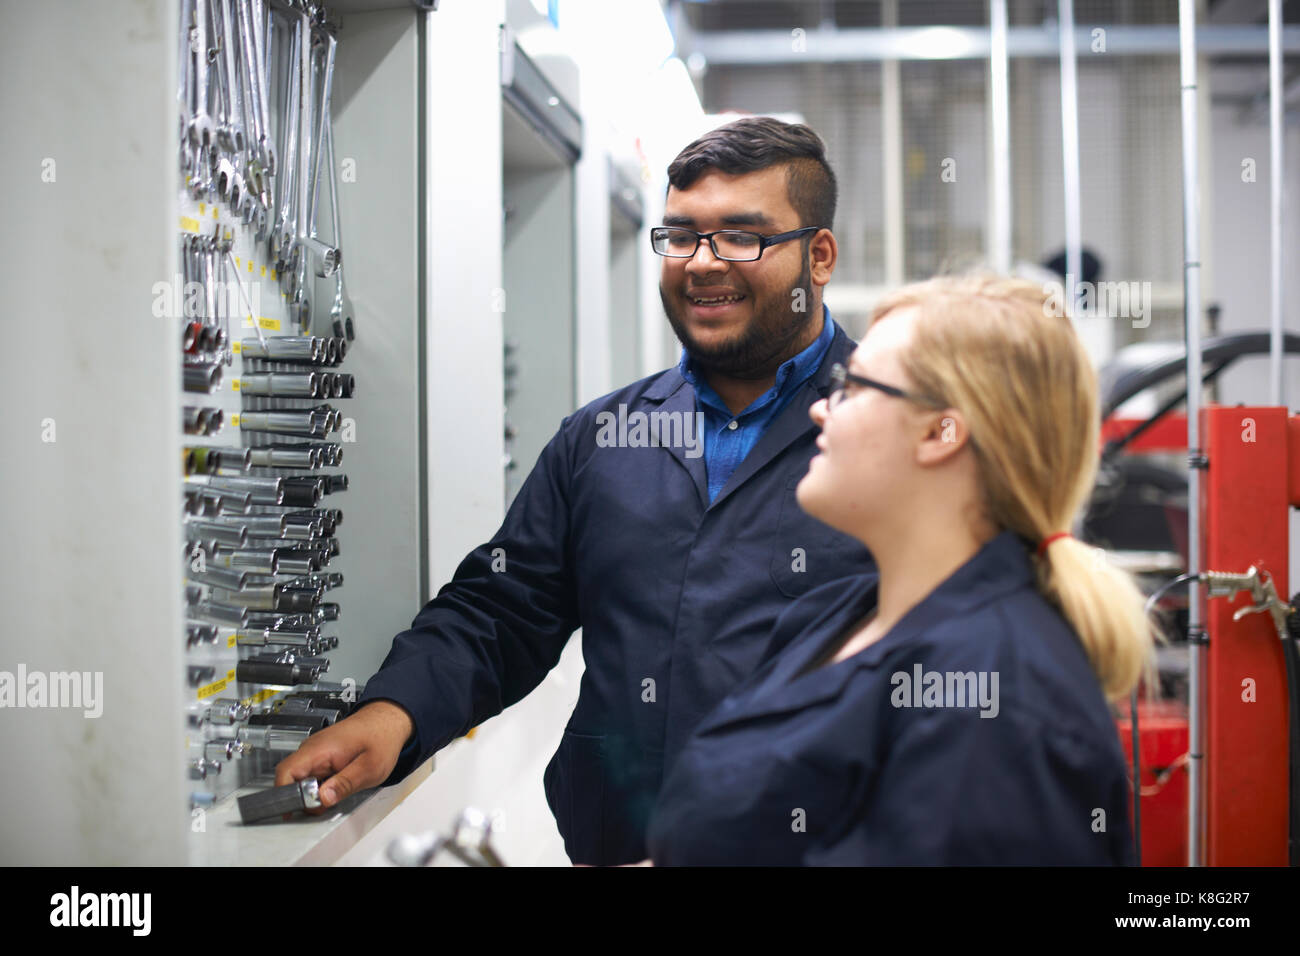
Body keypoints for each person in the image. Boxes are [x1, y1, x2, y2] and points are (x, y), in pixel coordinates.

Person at [274, 117, 876, 865]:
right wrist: (395, 710)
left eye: (742, 236)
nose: (702, 263)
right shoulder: (604, 439)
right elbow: (503, 607)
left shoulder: (888, 432)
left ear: (818, 256)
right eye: (681, 235)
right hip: (622, 845)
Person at [645, 274, 1155, 865]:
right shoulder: (834, 617)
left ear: (941, 432)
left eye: (853, 387)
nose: (819, 409)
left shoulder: (998, 696)